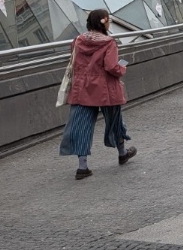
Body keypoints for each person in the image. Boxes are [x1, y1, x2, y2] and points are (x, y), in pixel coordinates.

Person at [58, 9, 135, 180]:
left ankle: (82, 167)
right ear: (104, 21)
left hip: (82, 88)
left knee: (82, 126)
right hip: (106, 89)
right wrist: (122, 68)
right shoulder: (109, 43)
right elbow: (111, 67)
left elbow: (73, 60)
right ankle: (122, 153)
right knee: (115, 121)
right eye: (109, 21)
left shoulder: (78, 40)